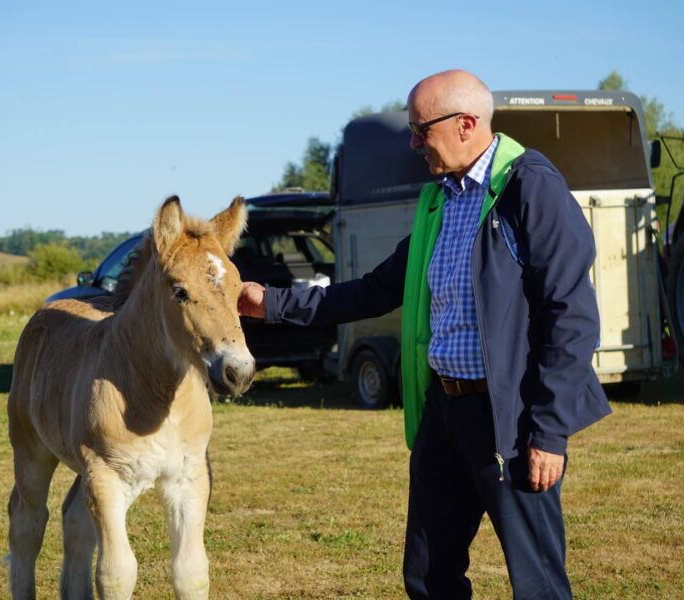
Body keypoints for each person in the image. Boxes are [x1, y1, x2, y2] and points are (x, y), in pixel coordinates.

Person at [238, 69, 611, 599]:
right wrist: (271, 303)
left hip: (511, 419)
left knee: (537, 584)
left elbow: (571, 315)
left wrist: (548, 433)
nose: (413, 144)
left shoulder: (530, 185)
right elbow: (375, 290)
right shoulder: (442, 198)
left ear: (465, 124)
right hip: (446, 413)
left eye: (420, 130)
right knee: (429, 576)